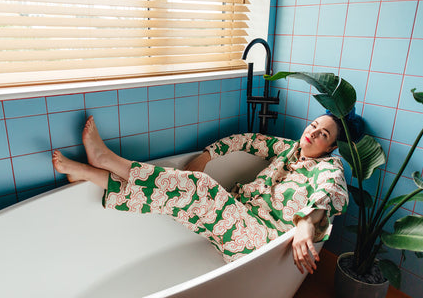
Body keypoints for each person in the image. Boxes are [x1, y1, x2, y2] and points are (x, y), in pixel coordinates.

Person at [52, 114, 350, 275]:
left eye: (323, 134)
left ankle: (107, 161)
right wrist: (208, 155)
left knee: (200, 187)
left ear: (330, 147)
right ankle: (92, 173)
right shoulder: (287, 149)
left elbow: (330, 193)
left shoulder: (329, 168)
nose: (313, 132)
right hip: (240, 216)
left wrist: (306, 224)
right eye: (313, 125)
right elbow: (245, 141)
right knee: (173, 197)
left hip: (267, 243)